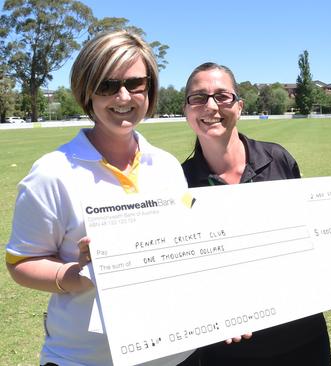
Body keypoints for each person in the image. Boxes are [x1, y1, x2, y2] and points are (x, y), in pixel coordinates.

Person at [5, 31, 198, 365]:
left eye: (135, 83)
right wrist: (74, 276)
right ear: (87, 91)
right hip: (85, 359)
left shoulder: (166, 164)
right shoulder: (52, 173)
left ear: (148, 89)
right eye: (107, 85)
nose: (123, 96)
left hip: (175, 356)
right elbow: (21, 263)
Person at [181, 62, 331, 365]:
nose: (210, 106)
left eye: (222, 96)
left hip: (301, 335)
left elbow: (311, 235)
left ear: (239, 106)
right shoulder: (179, 183)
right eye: (198, 98)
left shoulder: (277, 158)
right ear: (186, 110)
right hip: (227, 349)